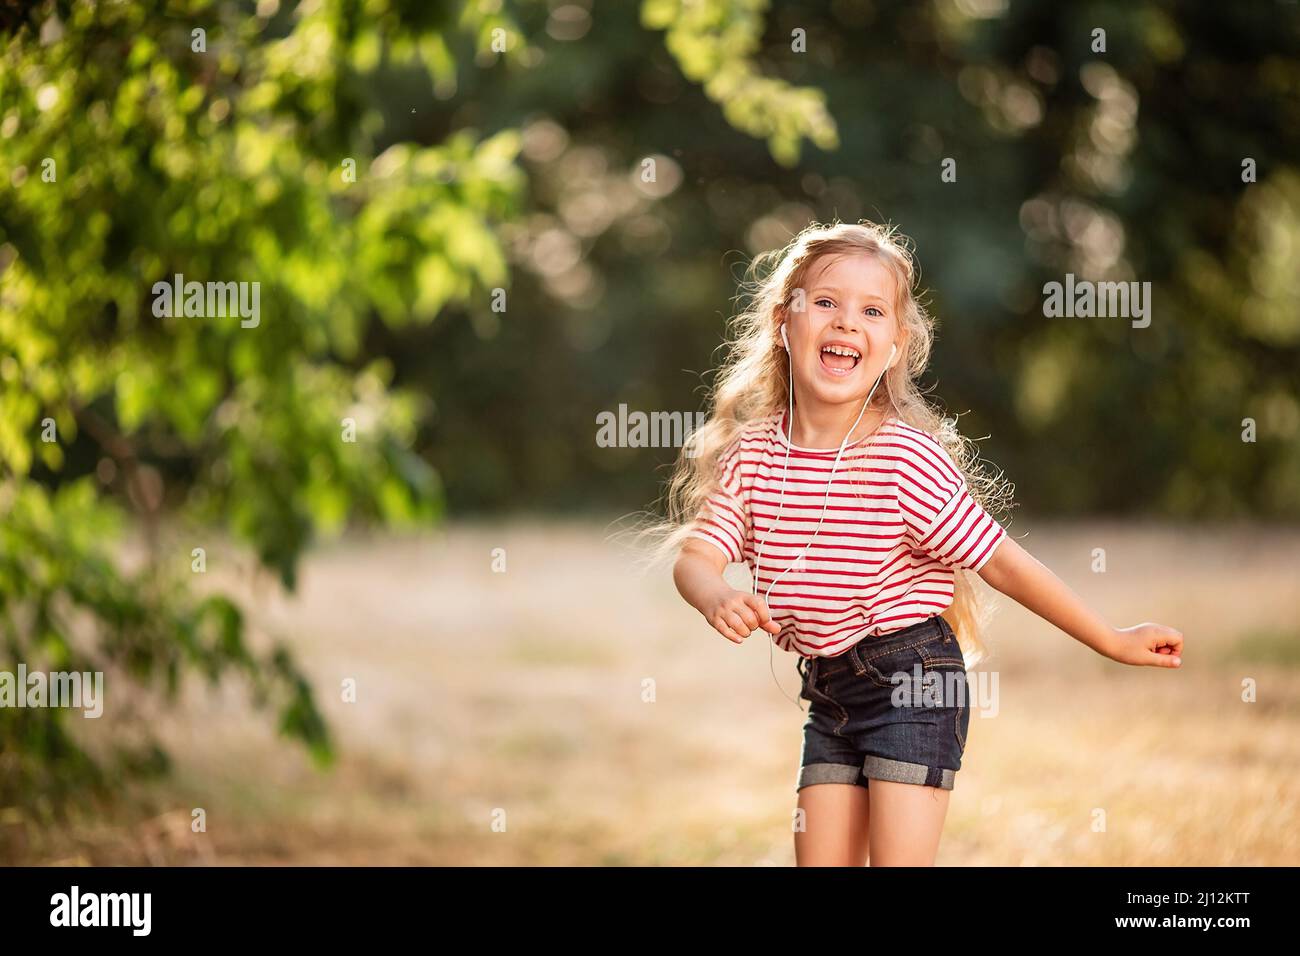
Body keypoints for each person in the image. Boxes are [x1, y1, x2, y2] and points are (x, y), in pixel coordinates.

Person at [658, 220, 1184, 866]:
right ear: (782, 322)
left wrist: (1111, 637)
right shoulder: (755, 457)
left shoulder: (903, 459)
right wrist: (714, 594)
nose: (847, 322)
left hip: (913, 683)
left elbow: (1001, 562)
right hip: (829, 694)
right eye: (825, 302)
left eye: (872, 311)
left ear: (895, 346)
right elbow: (696, 557)